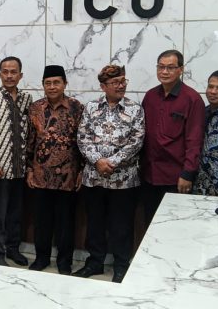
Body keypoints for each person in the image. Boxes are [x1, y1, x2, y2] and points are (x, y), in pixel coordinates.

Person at [74, 64, 145, 283]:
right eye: (115, 82)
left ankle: (121, 266)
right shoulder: (91, 107)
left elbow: (137, 140)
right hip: (94, 178)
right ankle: (95, 262)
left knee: (122, 226)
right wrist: (97, 161)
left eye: (123, 81)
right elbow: (82, 137)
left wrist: (111, 162)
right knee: (95, 224)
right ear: (103, 86)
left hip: (124, 180)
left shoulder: (135, 109)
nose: (121, 86)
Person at [25, 65, 84, 275]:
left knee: (65, 222)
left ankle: (64, 262)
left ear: (65, 84)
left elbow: (82, 142)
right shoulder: (35, 108)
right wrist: (29, 170)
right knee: (42, 221)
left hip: (68, 175)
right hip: (41, 175)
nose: (52, 87)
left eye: (56, 82)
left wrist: (81, 170)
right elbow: (30, 142)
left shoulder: (77, 108)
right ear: (43, 85)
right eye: (48, 83)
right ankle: (41, 258)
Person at [140, 50, 204, 225]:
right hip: (148, 174)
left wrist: (187, 174)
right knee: (149, 225)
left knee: (173, 227)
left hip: (175, 178)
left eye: (170, 67)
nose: (164, 72)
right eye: (161, 67)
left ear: (181, 69)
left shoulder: (192, 99)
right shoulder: (150, 96)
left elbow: (194, 140)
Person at [0, 56, 32, 267]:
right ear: (0, 74)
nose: (9, 75)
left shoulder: (27, 99)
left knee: (16, 214)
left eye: (13, 72)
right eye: (5, 71)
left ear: (20, 75)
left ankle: (13, 250)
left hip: (20, 168)